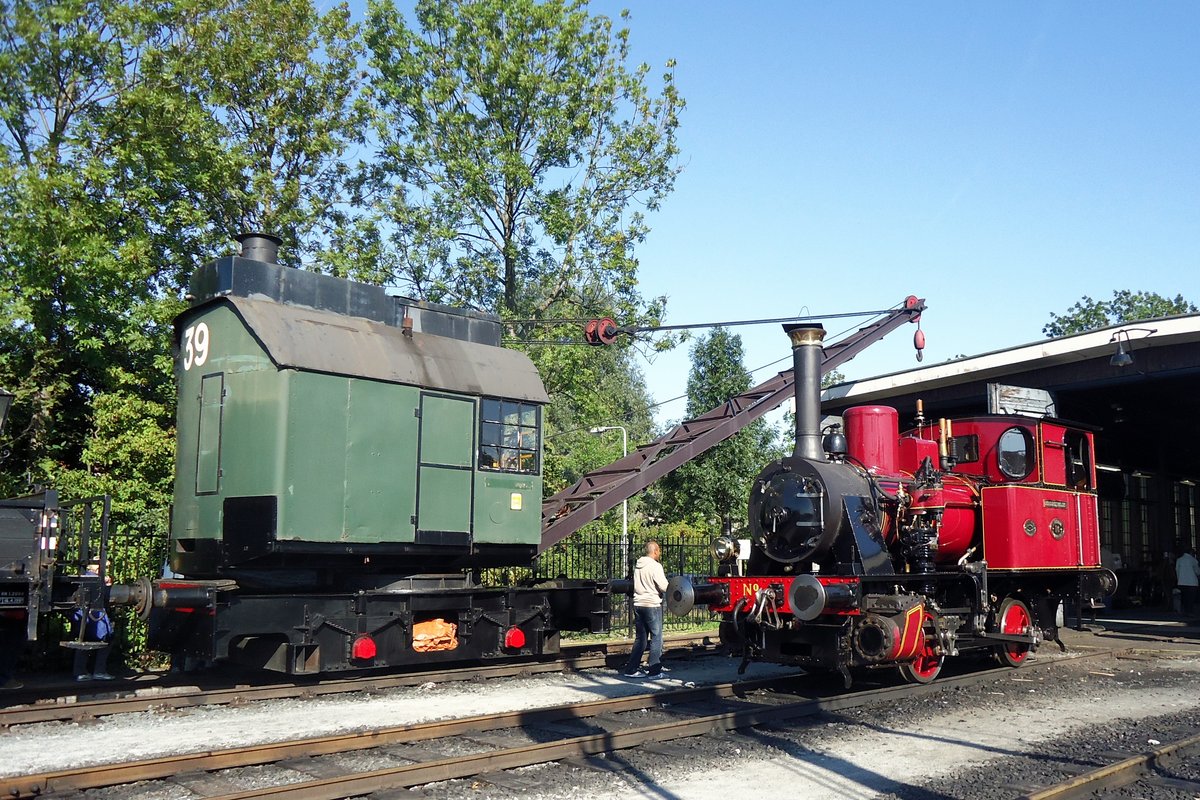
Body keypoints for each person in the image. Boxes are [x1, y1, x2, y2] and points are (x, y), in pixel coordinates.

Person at [622, 541, 669, 677]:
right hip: (652, 605)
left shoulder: (639, 566)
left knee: (641, 638)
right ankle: (654, 670)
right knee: (656, 637)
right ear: (655, 551)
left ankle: (631, 669)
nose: (659, 553)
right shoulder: (655, 566)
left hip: (638, 604)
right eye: (658, 551)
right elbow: (663, 586)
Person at [1176, 544, 1200, 618]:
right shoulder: (1193, 560)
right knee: (1191, 598)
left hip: (1182, 582)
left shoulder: (1179, 560)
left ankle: (1184, 611)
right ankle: (1190, 611)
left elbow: (1177, 570)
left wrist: (1179, 579)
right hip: (1192, 582)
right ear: (1191, 552)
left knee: (1184, 597)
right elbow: (1198, 571)